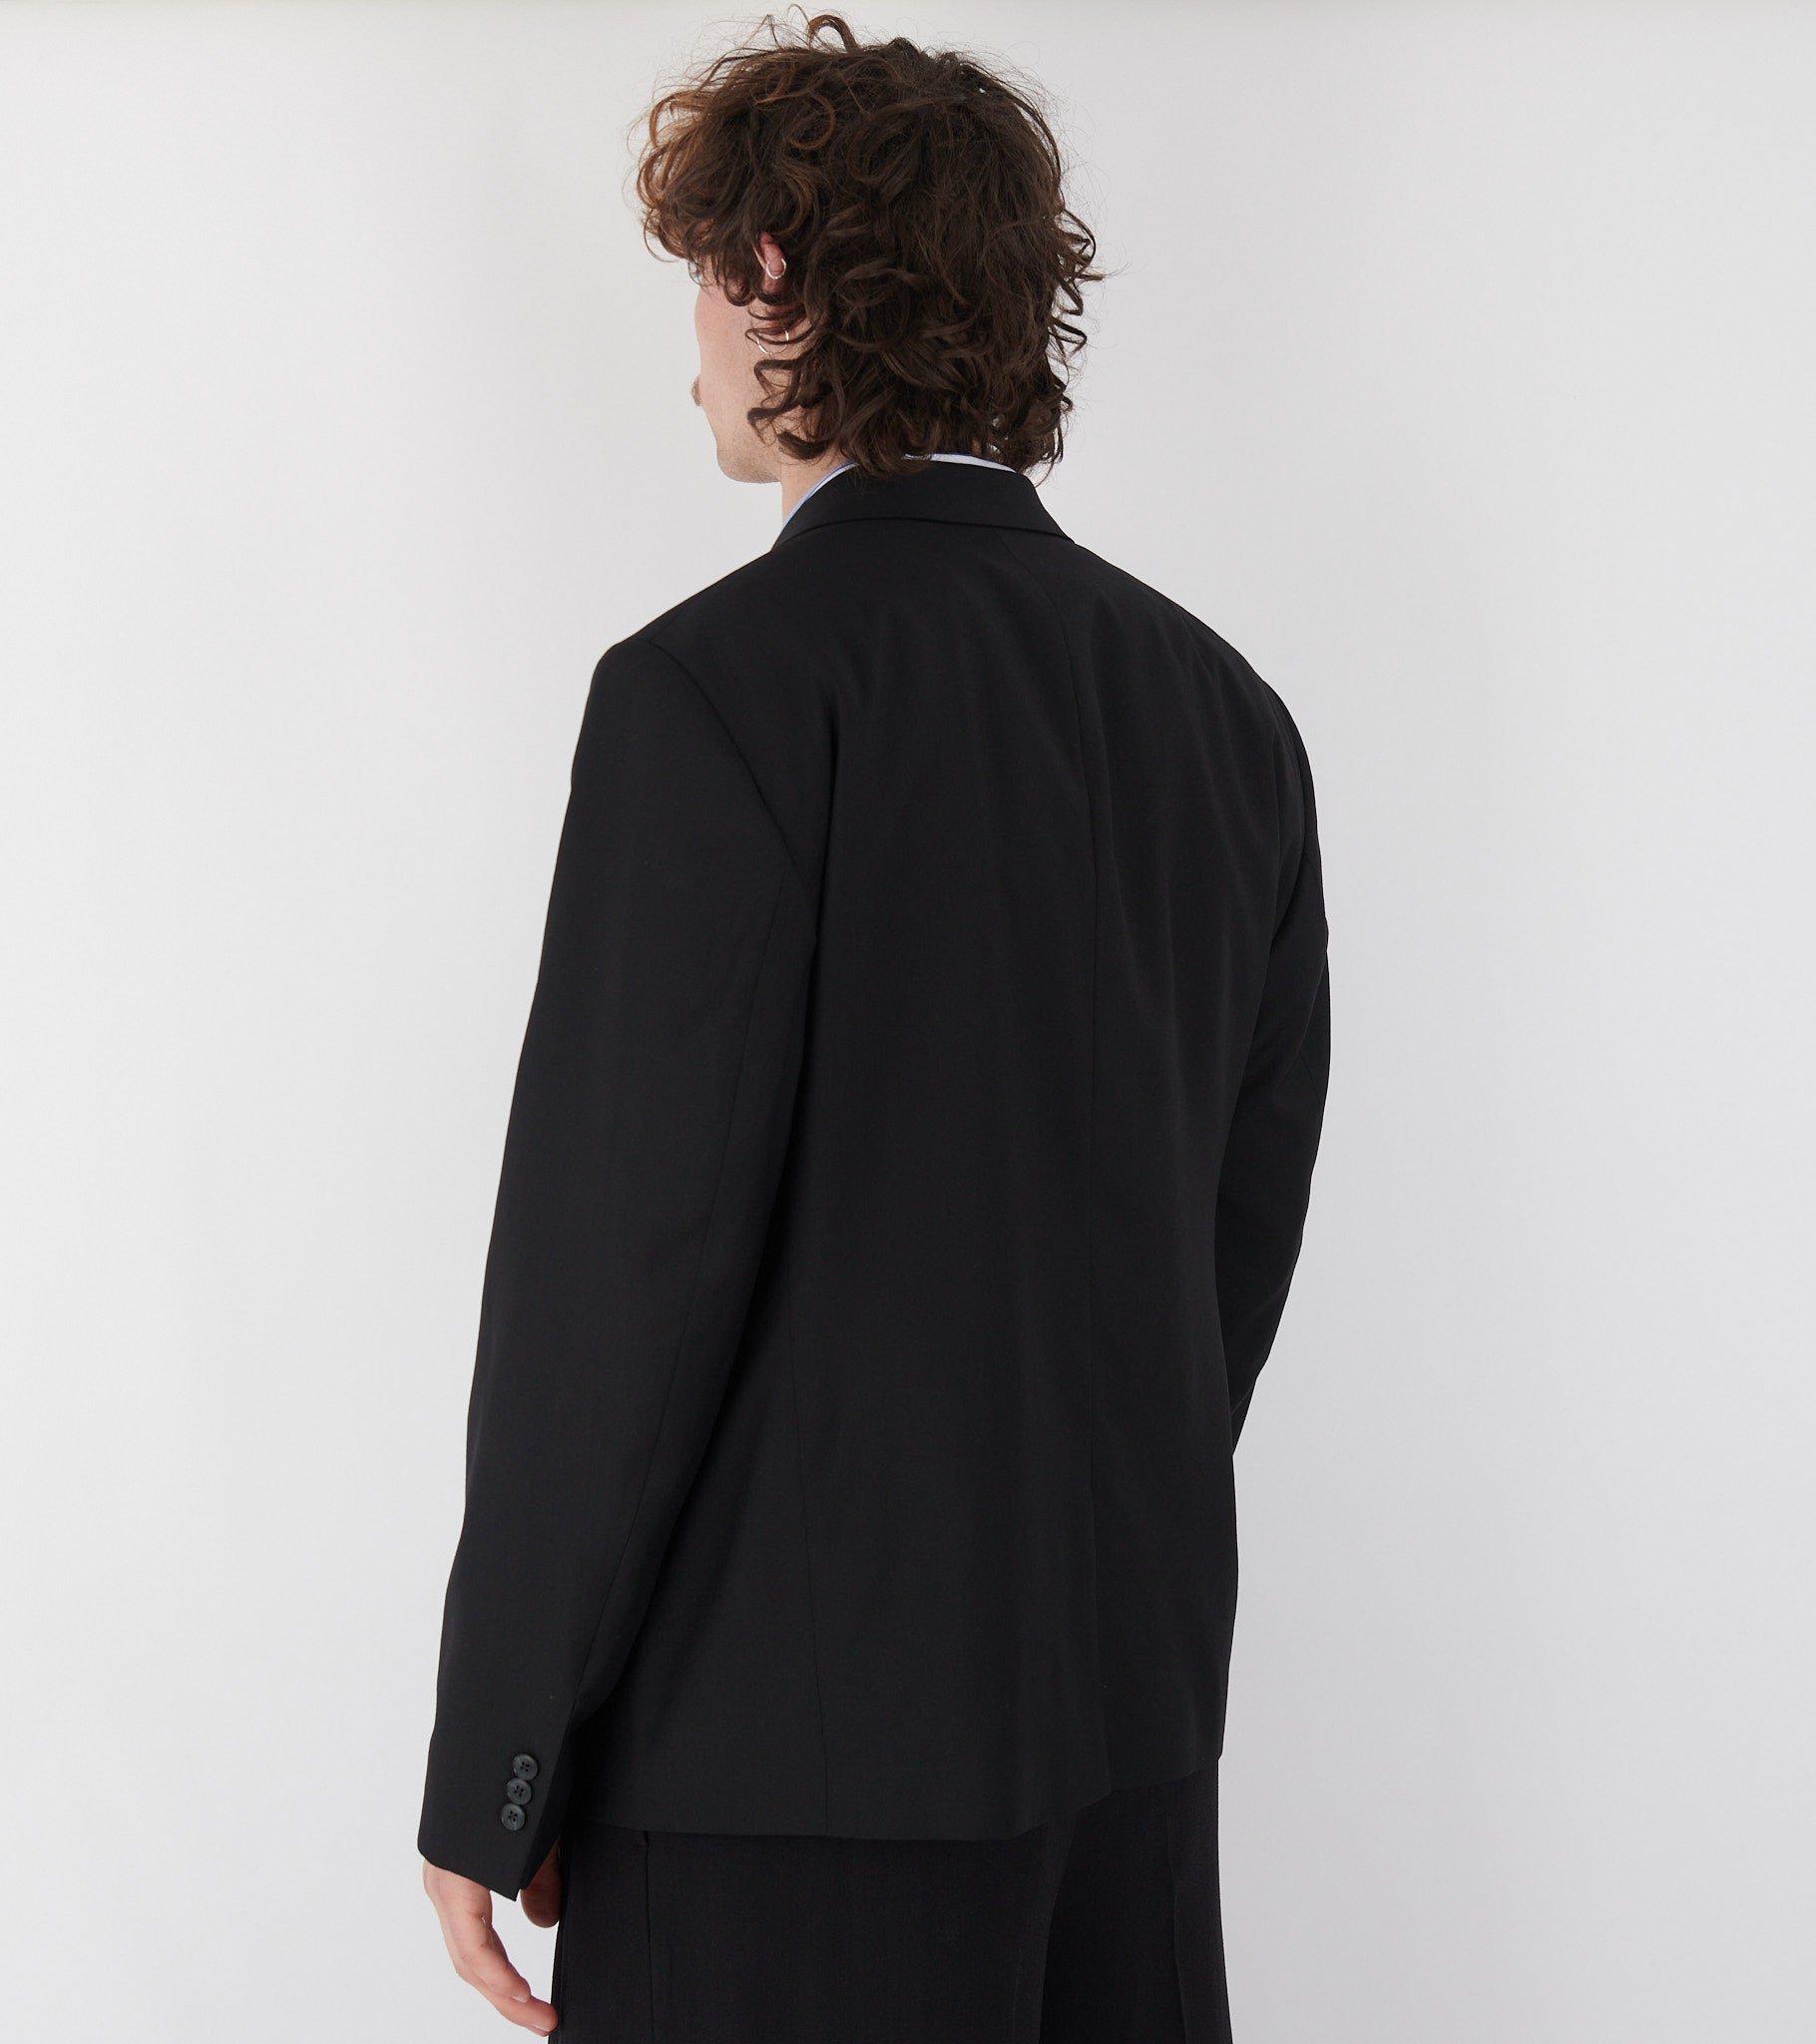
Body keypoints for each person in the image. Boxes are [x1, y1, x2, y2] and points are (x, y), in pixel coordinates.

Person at [417, 13, 1331, 2040]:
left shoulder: (712, 693)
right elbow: (1225, 1253)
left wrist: (502, 1753)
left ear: (776, 279)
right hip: (1123, 1749)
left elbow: (619, 1276)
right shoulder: (1224, 718)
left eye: (699, 281)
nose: (688, 351)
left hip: (775, 1781)